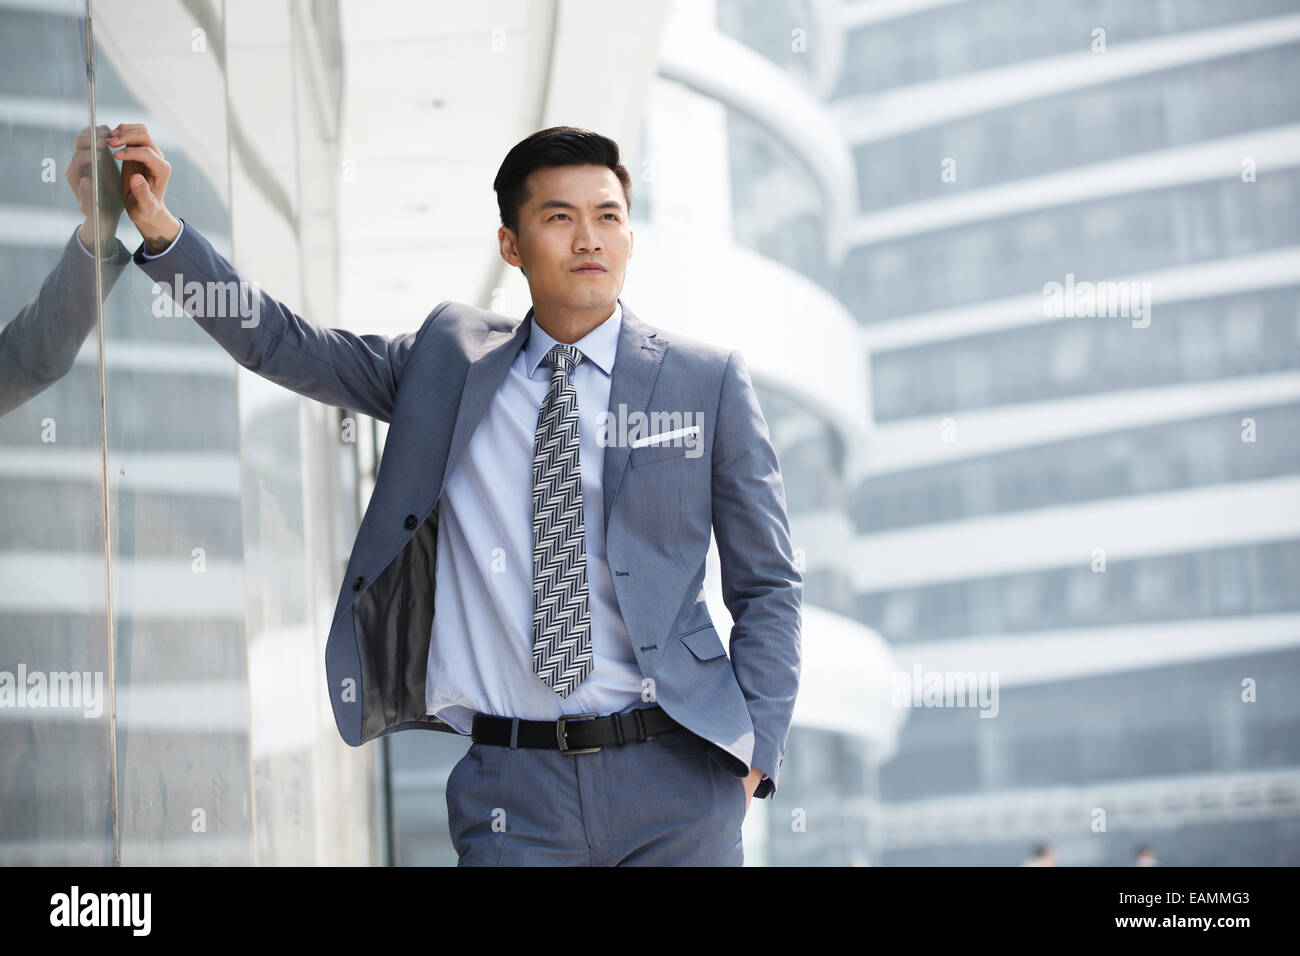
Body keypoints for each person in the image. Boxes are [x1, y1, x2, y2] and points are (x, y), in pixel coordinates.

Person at [106, 121, 802, 866]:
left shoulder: (706, 381)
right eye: (559, 218)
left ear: (630, 237)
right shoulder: (451, 364)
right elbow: (286, 344)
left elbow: (768, 582)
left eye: (608, 216)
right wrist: (162, 234)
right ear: (511, 245)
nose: (589, 239)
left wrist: (758, 740)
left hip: (676, 779)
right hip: (512, 791)